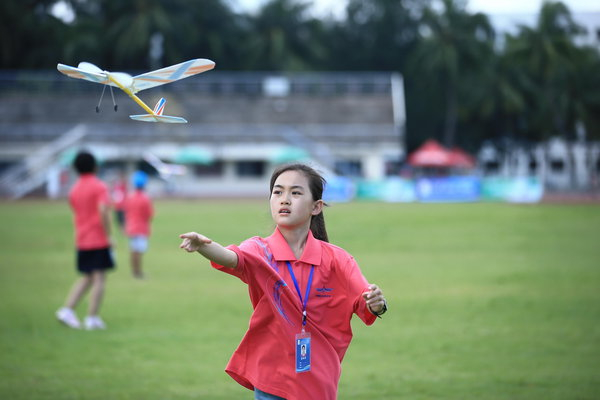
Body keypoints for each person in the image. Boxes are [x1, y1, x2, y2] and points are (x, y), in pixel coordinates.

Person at [179, 163, 387, 400]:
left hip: (318, 375)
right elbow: (231, 258)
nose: (284, 199)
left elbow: (366, 300)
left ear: (316, 207)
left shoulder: (338, 259)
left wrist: (377, 303)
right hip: (271, 376)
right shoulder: (259, 250)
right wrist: (204, 247)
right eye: (278, 192)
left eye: (296, 193)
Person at [56, 151, 114, 330]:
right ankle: (92, 318)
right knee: (99, 278)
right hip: (97, 239)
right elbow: (103, 210)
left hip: (82, 239)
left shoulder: (74, 189)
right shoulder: (99, 186)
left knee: (88, 276)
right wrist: (109, 235)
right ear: (95, 166)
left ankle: (67, 310)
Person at [124, 171, 154, 279]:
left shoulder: (130, 196)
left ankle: (134, 271)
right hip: (141, 227)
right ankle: (138, 272)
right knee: (139, 251)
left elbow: (125, 211)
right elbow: (149, 214)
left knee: (133, 250)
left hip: (131, 227)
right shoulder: (145, 198)